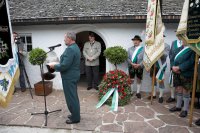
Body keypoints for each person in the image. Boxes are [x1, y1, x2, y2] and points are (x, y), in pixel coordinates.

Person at [49, 32, 81, 124]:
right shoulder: (75, 47)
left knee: (71, 98)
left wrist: (53, 66)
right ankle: (75, 114)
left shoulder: (71, 49)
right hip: (73, 75)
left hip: (69, 76)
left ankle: (75, 118)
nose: (64, 40)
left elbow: (64, 65)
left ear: (70, 39)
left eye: (65, 38)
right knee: (73, 96)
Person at [169, 41, 195, 118]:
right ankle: (178, 106)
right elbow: (172, 58)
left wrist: (179, 67)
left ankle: (185, 110)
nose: (183, 41)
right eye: (183, 39)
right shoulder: (179, 49)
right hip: (176, 72)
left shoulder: (192, 49)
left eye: (185, 39)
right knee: (178, 89)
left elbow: (191, 61)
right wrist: (173, 67)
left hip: (186, 73)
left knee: (186, 91)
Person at [167, 37, 183, 103]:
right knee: (172, 82)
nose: (179, 35)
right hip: (173, 66)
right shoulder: (173, 42)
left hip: (182, 67)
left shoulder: (186, 42)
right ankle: (172, 96)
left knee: (181, 84)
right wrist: (172, 65)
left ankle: (181, 100)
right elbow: (170, 54)